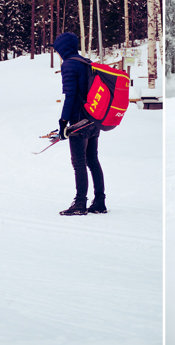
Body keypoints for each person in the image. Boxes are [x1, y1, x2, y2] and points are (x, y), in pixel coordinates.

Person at [52, 32, 107, 216]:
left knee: (79, 163)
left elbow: (70, 96)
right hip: (94, 119)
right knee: (93, 160)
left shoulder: (69, 65)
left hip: (78, 121)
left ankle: (80, 204)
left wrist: (63, 122)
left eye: (58, 50)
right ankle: (100, 201)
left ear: (63, 48)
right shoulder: (86, 63)